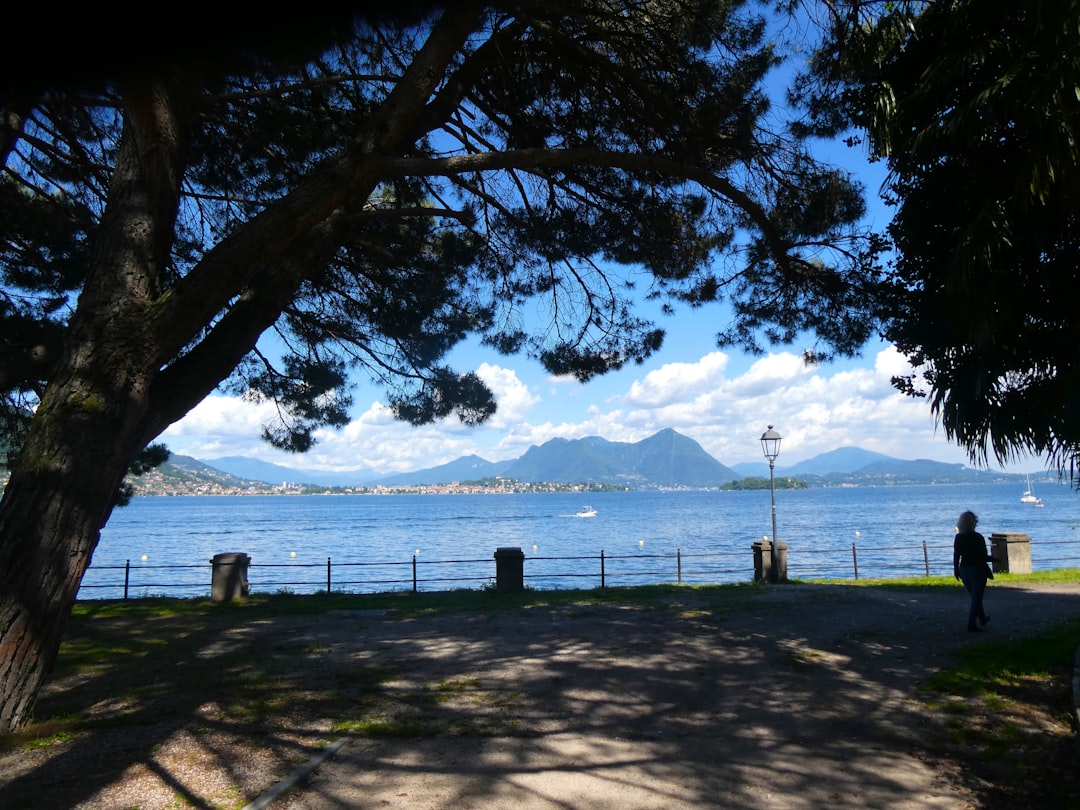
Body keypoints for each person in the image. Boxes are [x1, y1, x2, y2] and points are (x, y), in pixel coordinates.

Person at [953, 510, 994, 632]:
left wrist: (956, 569)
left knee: (975, 597)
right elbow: (983, 557)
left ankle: (982, 618)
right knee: (976, 598)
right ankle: (971, 623)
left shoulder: (958, 537)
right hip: (977, 570)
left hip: (964, 569)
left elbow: (956, 555)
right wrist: (996, 559)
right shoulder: (978, 537)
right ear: (973, 523)